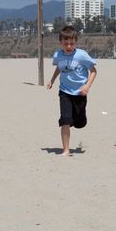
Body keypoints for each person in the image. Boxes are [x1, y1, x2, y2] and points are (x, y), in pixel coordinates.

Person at [47, 25, 97, 156]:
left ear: (76, 42)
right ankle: (66, 150)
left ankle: (77, 120)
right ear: (60, 42)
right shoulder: (58, 55)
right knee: (65, 120)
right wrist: (52, 80)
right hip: (64, 91)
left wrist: (87, 86)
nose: (69, 46)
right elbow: (59, 67)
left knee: (80, 123)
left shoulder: (81, 55)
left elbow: (93, 71)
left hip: (80, 93)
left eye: (71, 43)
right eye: (65, 43)